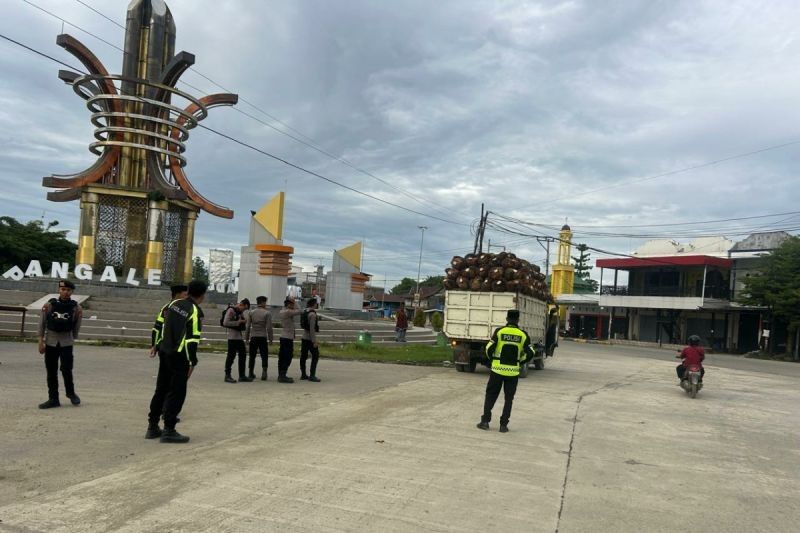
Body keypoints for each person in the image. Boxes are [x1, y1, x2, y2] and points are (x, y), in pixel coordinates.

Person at [145, 279, 207, 443]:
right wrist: (193, 361)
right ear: (202, 295)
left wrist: (156, 345)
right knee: (177, 392)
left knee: (161, 389)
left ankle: (152, 427)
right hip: (180, 356)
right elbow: (192, 339)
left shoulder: (172, 305)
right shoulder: (194, 311)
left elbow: (160, 326)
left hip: (164, 352)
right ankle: (169, 430)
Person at [477, 309, 535, 433]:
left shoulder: (499, 332)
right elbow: (531, 352)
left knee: (491, 396)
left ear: (507, 319)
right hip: (513, 372)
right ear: (518, 320)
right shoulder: (523, 335)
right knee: (509, 399)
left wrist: (493, 359)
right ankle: (503, 425)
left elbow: (488, 349)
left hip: (497, 370)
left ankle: (485, 422)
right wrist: (520, 361)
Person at [146, 284, 188, 431]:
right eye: (184, 294)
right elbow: (157, 327)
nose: (186, 297)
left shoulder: (174, 307)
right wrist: (154, 345)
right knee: (170, 385)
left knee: (164, 386)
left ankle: (157, 420)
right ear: (177, 294)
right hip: (171, 350)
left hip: (167, 349)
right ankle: (166, 415)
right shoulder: (169, 308)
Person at [37, 279, 83, 409]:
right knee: (51, 371)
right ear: (59, 290)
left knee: (67, 369)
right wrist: (41, 342)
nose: (65, 292)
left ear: (72, 291)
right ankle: (53, 398)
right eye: (63, 289)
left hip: (66, 342)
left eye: (68, 290)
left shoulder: (76, 307)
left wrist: (72, 338)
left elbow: (77, 325)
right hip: (51, 341)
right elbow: (42, 324)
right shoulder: (49, 305)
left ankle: (71, 393)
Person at [245, 296, 273, 381]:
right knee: (264, 355)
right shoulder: (267, 313)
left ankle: (250, 372)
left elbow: (248, 326)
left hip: (253, 336)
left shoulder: (251, 313)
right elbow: (269, 327)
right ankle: (264, 372)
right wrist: (270, 339)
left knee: (252, 355)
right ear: (263, 303)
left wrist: (246, 338)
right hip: (262, 337)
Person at [223, 298, 251, 383]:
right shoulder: (231, 310)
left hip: (238, 337)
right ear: (241, 304)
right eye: (244, 308)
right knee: (231, 356)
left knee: (243, 355)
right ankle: (227, 375)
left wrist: (243, 321)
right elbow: (225, 323)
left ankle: (242, 375)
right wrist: (238, 322)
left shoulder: (239, 312)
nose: (244, 310)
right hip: (232, 338)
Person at [277, 297, 303, 383]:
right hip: (287, 338)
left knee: (282, 357)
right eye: (292, 304)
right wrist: (295, 302)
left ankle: (281, 374)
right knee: (288, 357)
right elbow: (300, 311)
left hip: (284, 336)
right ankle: (283, 375)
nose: (293, 306)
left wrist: (292, 302)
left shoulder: (282, 311)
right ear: (288, 304)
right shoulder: (288, 312)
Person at [300, 298, 321, 382]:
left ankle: (303, 374)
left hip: (304, 337)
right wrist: (314, 341)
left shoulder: (305, 312)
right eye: (316, 303)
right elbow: (312, 329)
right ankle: (312, 375)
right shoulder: (312, 314)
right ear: (314, 304)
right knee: (315, 356)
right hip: (310, 338)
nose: (317, 305)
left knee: (303, 356)